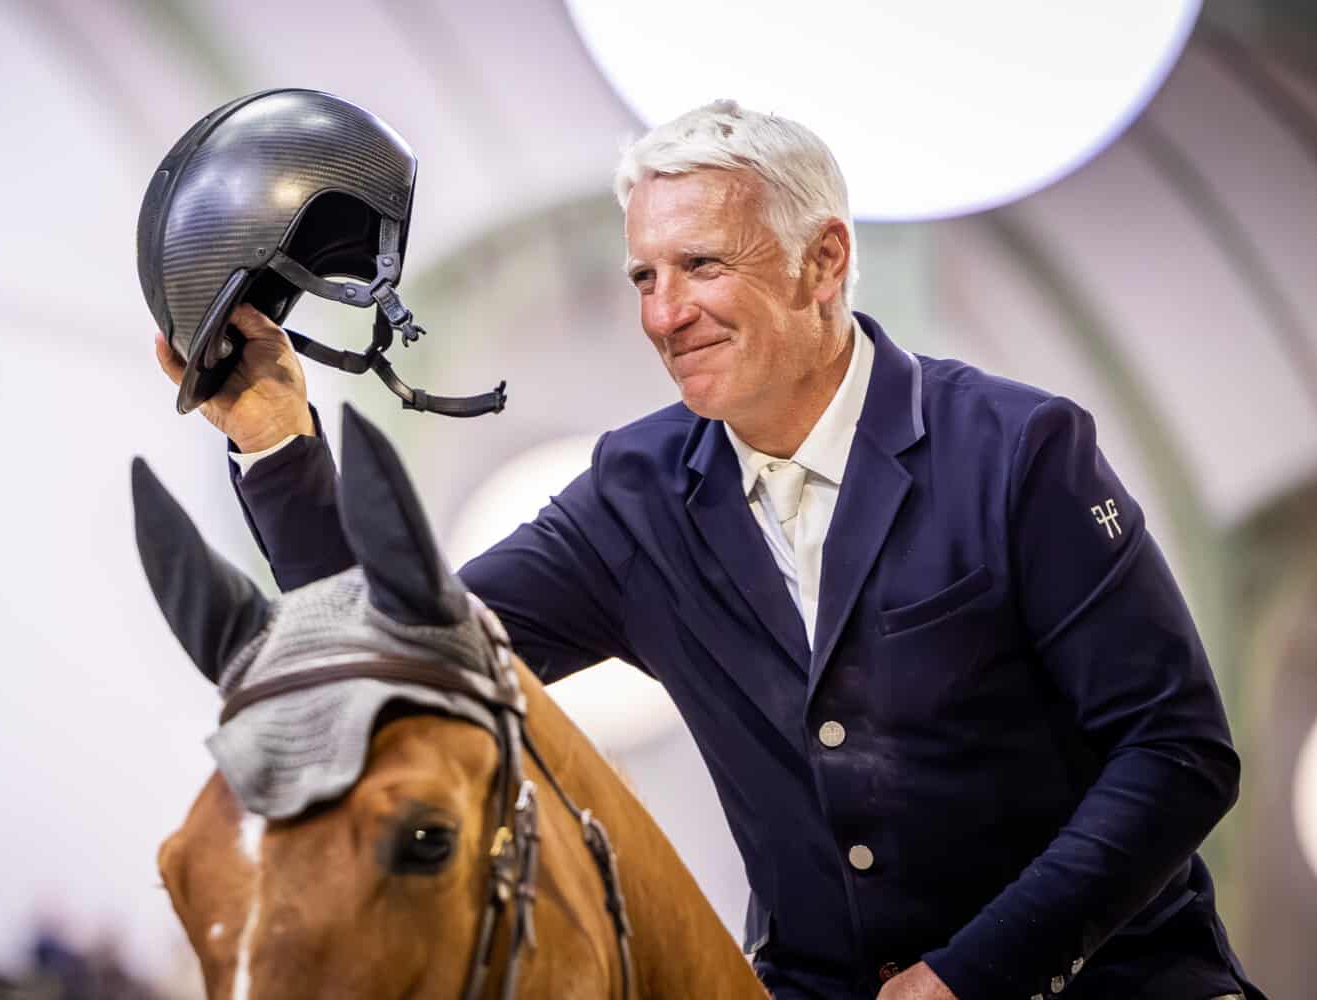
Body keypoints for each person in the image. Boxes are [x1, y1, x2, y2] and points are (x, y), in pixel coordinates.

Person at [153, 100, 1259, 1000]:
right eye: (643, 276)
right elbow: (405, 655)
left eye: (699, 266)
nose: (663, 312)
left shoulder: (1019, 450)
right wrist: (276, 441)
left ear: (821, 262)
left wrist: (973, 976)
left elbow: (1174, 753)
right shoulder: (634, 494)